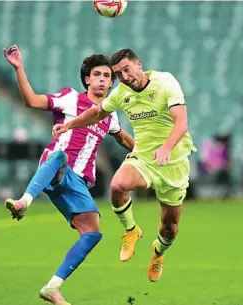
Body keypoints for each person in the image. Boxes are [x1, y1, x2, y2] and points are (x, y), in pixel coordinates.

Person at [3, 45, 135, 305]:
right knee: (61, 157)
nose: (102, 79)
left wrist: (154, 155)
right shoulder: (69, 98)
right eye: (97, 74)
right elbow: (32, 100)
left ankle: (53, 287)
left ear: (111, 82)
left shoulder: (109, 115)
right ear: (87, 79)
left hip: (78, 183)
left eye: (107, 76)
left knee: (93, 233)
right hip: (56, 168)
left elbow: (126, 141)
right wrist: (19, 68)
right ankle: (24, 202)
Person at [52, 48, 197, 282]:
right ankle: (131, 230)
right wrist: (70, 125)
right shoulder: (121, 93)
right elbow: (97, 112)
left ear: (139, 64)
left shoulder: (165, 82)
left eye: (127, 70)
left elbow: (181, 122)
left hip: (174, 162)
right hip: (144, 159)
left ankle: (158, 253)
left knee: (169, 228)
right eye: (118, 74)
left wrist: (167, 147)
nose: (125, 77)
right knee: (117, 186)